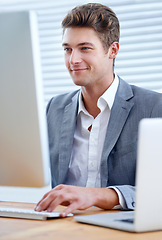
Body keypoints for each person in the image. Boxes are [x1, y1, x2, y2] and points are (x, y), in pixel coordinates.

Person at [35, 3, 162, 217]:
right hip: (65, 225)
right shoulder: (54, 108)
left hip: (125, 228)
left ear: (112, 50)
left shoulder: (153, 107)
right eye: (67, 49)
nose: (73, 60)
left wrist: (98, 196)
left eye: (85, 48)